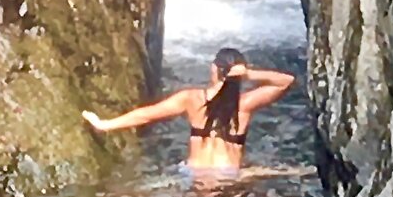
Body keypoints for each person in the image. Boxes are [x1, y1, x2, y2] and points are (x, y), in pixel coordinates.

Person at [81, 47, 295, 171]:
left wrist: (105, 124)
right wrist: (249, 74)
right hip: (231, 178)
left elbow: (146, 115)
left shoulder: (192, 99)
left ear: (214, 70)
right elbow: (286, 81)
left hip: (196, 176)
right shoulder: (244, 105)